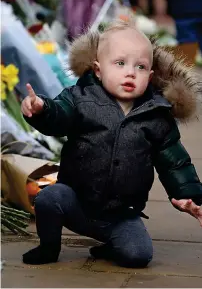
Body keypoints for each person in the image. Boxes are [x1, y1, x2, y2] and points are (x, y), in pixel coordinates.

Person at [21, 19, 202, 267]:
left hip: (120, 214)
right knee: (48, 198)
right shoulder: (81, 98)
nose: (130, 72)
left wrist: (190, 196)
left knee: (139, 255)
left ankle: (112, 246)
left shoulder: (156, 115)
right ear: (98, 69)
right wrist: (41, 109)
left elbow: (175, 162)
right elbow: (58, 116)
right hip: (76, 201)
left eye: (140, 67)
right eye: (120, 63)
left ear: (150, 76)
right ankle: (48, 247)